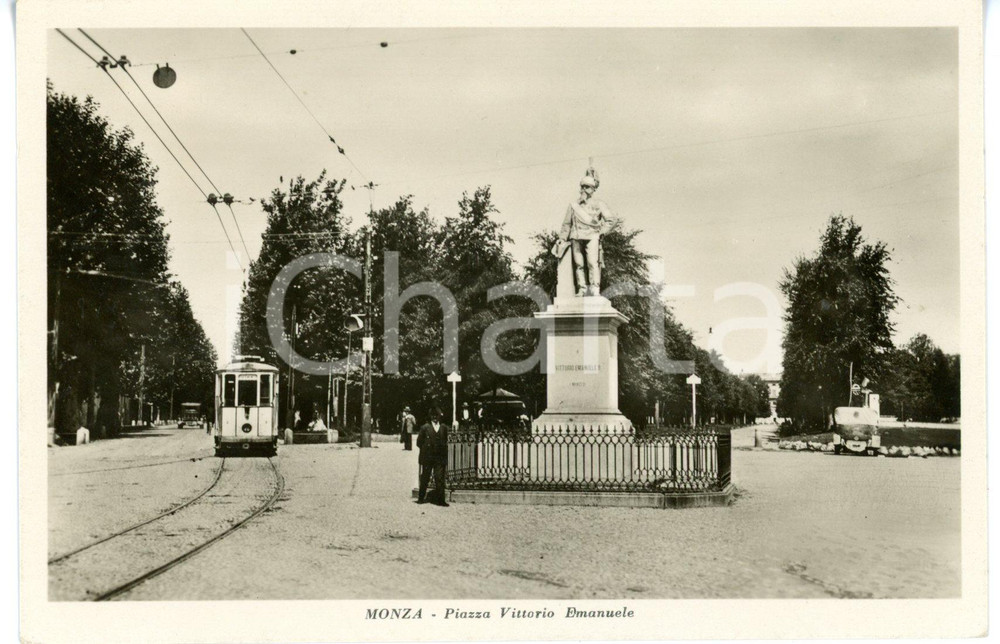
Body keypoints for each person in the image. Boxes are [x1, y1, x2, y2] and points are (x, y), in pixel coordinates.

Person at [555, 167, 614, 296]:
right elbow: (566, 224)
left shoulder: (599, 204)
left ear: (593, 189)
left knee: (592, 263)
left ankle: (594, 288)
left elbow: (610, 220)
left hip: (592, 236)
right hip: (576, 236)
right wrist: (562, 238)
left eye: (587, 187)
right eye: (583, 187)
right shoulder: (574, 205)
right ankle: (581, 288)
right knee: (579, 264)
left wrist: (601, 232)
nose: (584, 190)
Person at [416, 407, 449, 506]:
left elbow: (445, 441)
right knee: (425, 477)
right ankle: (421, 498)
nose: (435, 418)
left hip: (439, 457)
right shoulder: (425, 428)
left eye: (436, 415)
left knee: (439, 478)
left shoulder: (444, 428)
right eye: (433, 416)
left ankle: (441, 500)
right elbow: (419, 442)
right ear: (430, 416)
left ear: (439, 416)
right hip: (428, 457)